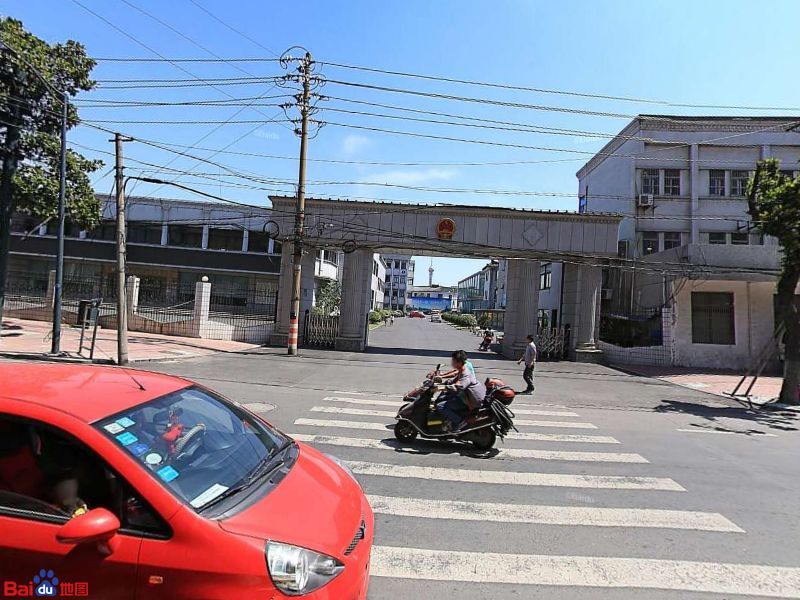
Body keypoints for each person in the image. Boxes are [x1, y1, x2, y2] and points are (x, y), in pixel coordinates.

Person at [436, 350, 486, 432]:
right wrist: (445, 380)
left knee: (440, 406)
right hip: (466, 396)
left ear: (458, 362)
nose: (451, 362)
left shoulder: (466, 374)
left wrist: (441, 387)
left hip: (470, 401)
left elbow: (458, 387)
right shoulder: (462, 369)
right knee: (444, 398)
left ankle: (459, 422)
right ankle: (448, 420)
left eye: (453, 361)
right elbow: (455, 376)